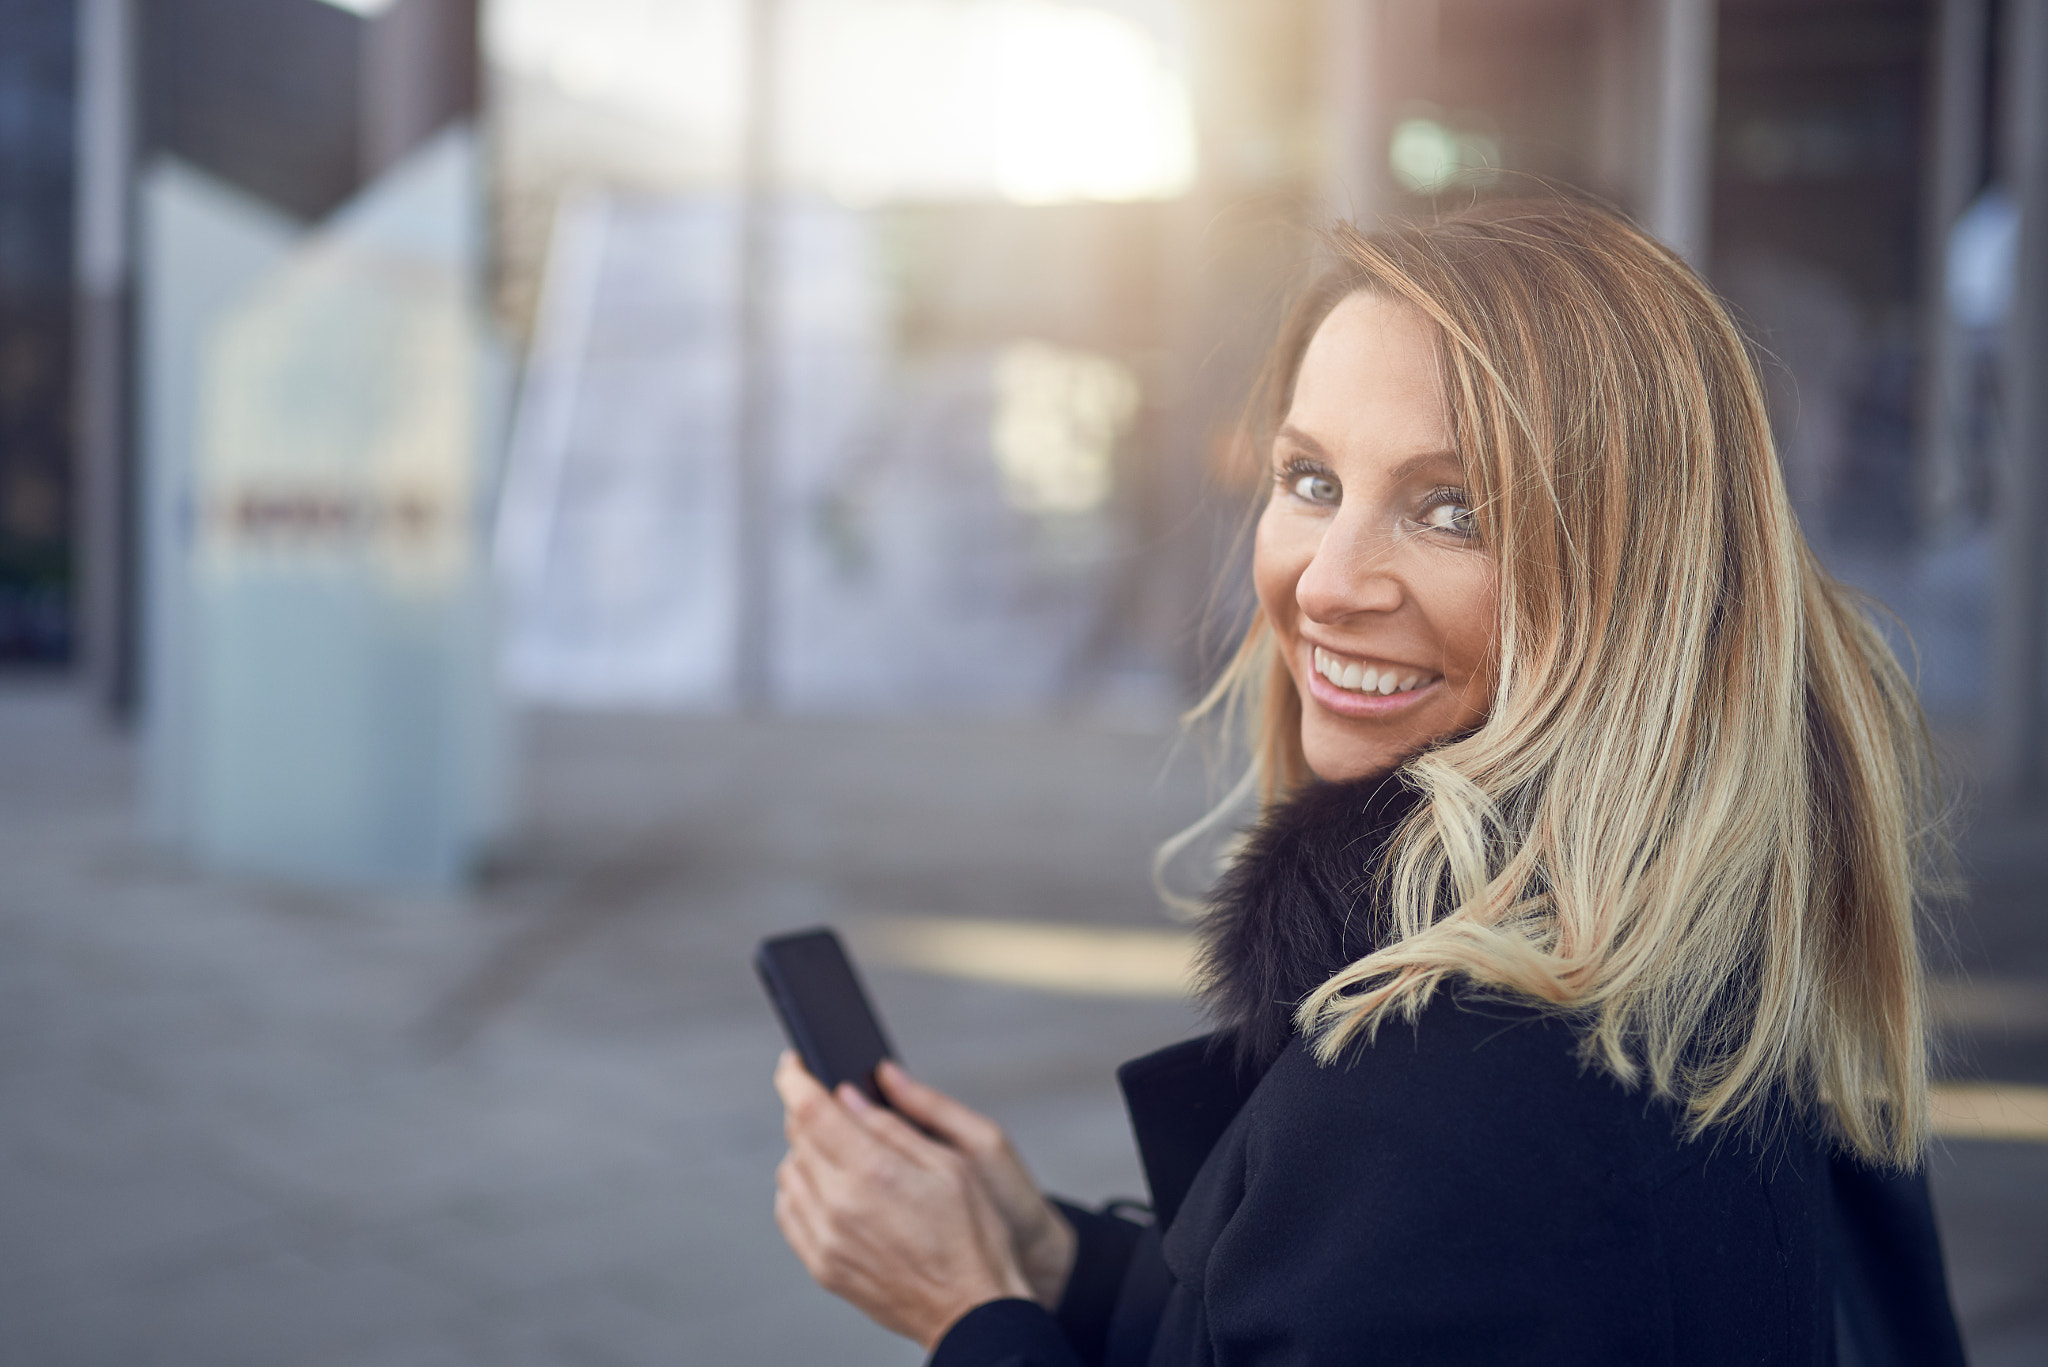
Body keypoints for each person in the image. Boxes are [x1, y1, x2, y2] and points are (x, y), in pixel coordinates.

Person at [770, 199, 1967, 1366]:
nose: (1327, 581)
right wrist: (1046, 1261)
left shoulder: (1451, 1088)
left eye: (1451, 509)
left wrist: (966, 1310)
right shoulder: (1707, 952)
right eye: (1310, 479)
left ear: (1635, 585)